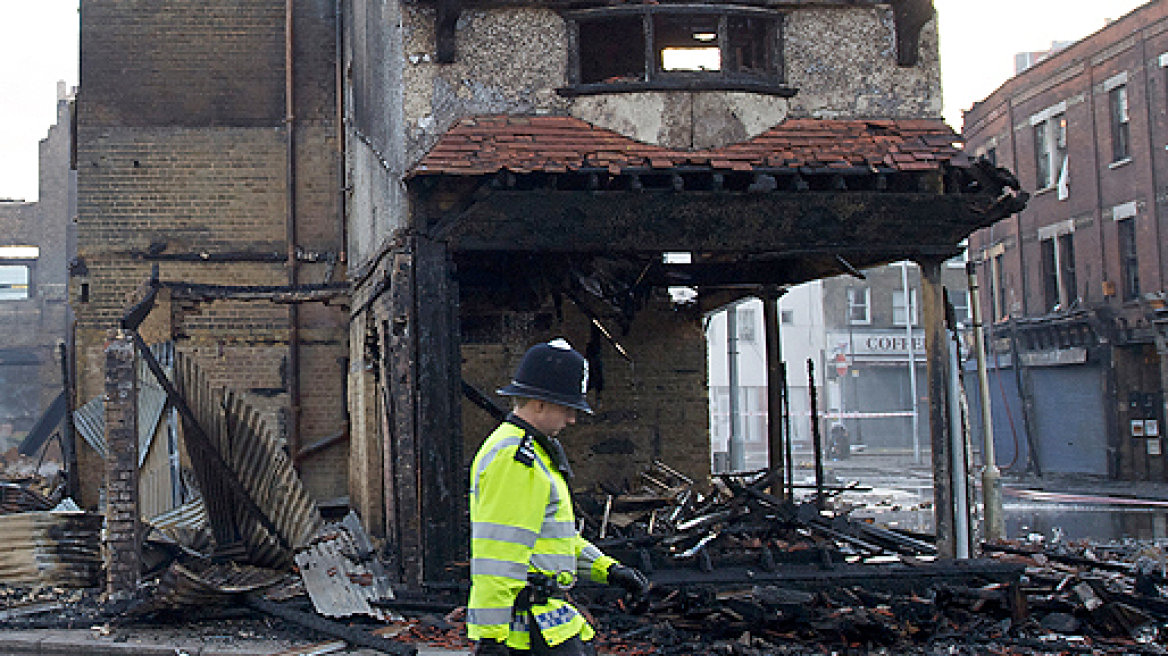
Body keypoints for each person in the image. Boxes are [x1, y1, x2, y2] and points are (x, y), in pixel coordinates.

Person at [467, 339, 651, 656]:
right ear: (539, 403)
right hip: (528, 630)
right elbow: (497, 555)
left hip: (545, 623)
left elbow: (553, 537)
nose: (572, 419)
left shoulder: (532, 452)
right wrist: (492, 638)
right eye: (567, 408)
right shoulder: (515, 458)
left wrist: (610, 570)